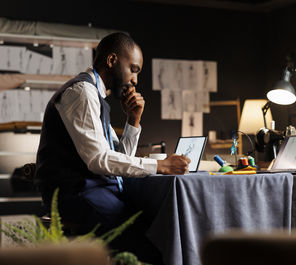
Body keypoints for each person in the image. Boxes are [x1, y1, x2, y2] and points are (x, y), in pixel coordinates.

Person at [35, 32, 190, 239]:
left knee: (157, 220)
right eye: (133, 70)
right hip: (74, 195)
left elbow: (115, 163)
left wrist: (133, 121)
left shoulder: (97, 97)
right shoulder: (82, 92)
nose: (135, 80)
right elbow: (99, 160)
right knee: (150, 235)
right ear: (111, 60)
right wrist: (162, 166)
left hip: (94, 190)